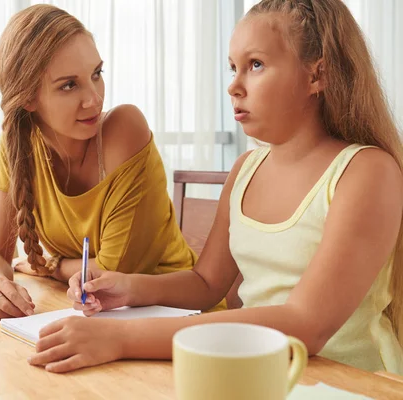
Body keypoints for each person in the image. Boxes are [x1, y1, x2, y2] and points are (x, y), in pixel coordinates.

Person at [29, 0, 403, 374]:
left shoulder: (367, 172)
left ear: (316, 75)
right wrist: (129, 288)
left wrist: (122, 338)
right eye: (233, 68)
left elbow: (306, 324)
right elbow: (206, 283)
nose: (234, 86)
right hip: (261, 372)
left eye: (255, 65)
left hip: (350, 382)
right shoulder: (245, 170)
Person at [0, 4, 226, 319]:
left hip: (179, 317)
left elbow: (109, 272)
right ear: (28, 97)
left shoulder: (125, 130)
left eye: (96, 74)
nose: (94, 98)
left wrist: (49, 265)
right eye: (69, 85)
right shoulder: (17, 144)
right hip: (98, 317)